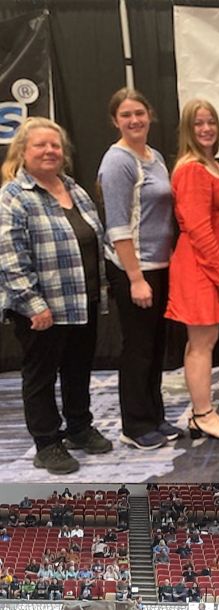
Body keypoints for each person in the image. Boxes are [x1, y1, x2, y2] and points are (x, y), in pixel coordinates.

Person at [0, 117, 112, 474]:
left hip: (82, 299)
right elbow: (9, 256)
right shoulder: (13, 196)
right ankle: (47, 442)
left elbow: (95, 237)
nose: (50, 151)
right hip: (41, 308)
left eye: (55, 145)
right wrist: (33, 303)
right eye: (40, 145)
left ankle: (79, 427)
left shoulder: (74, 189)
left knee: (78, 369)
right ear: (23, 151)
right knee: (41, 376)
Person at [98, 87, 180, 450]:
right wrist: (135, 279)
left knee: (155, 345)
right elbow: (117, 225)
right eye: (126, 115)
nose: (134, 120)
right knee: (138, 347)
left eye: (139, 113)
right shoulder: (117, 161)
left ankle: (154, 415)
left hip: (160, 264)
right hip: (133, 268)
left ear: (150, 116)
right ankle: (134, 424)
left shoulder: (155, 156)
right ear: (115, 121)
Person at [165, 98, 219, 440]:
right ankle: (202, 414)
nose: (206, 128)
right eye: (198, 123)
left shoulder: (210, 164)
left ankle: (202, 411)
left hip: (212, 260)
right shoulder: (193, 168)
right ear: (187, 129)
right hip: (201, 263)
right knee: (202, 342)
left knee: (204, 339)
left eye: (210, 121)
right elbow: (197, 227)